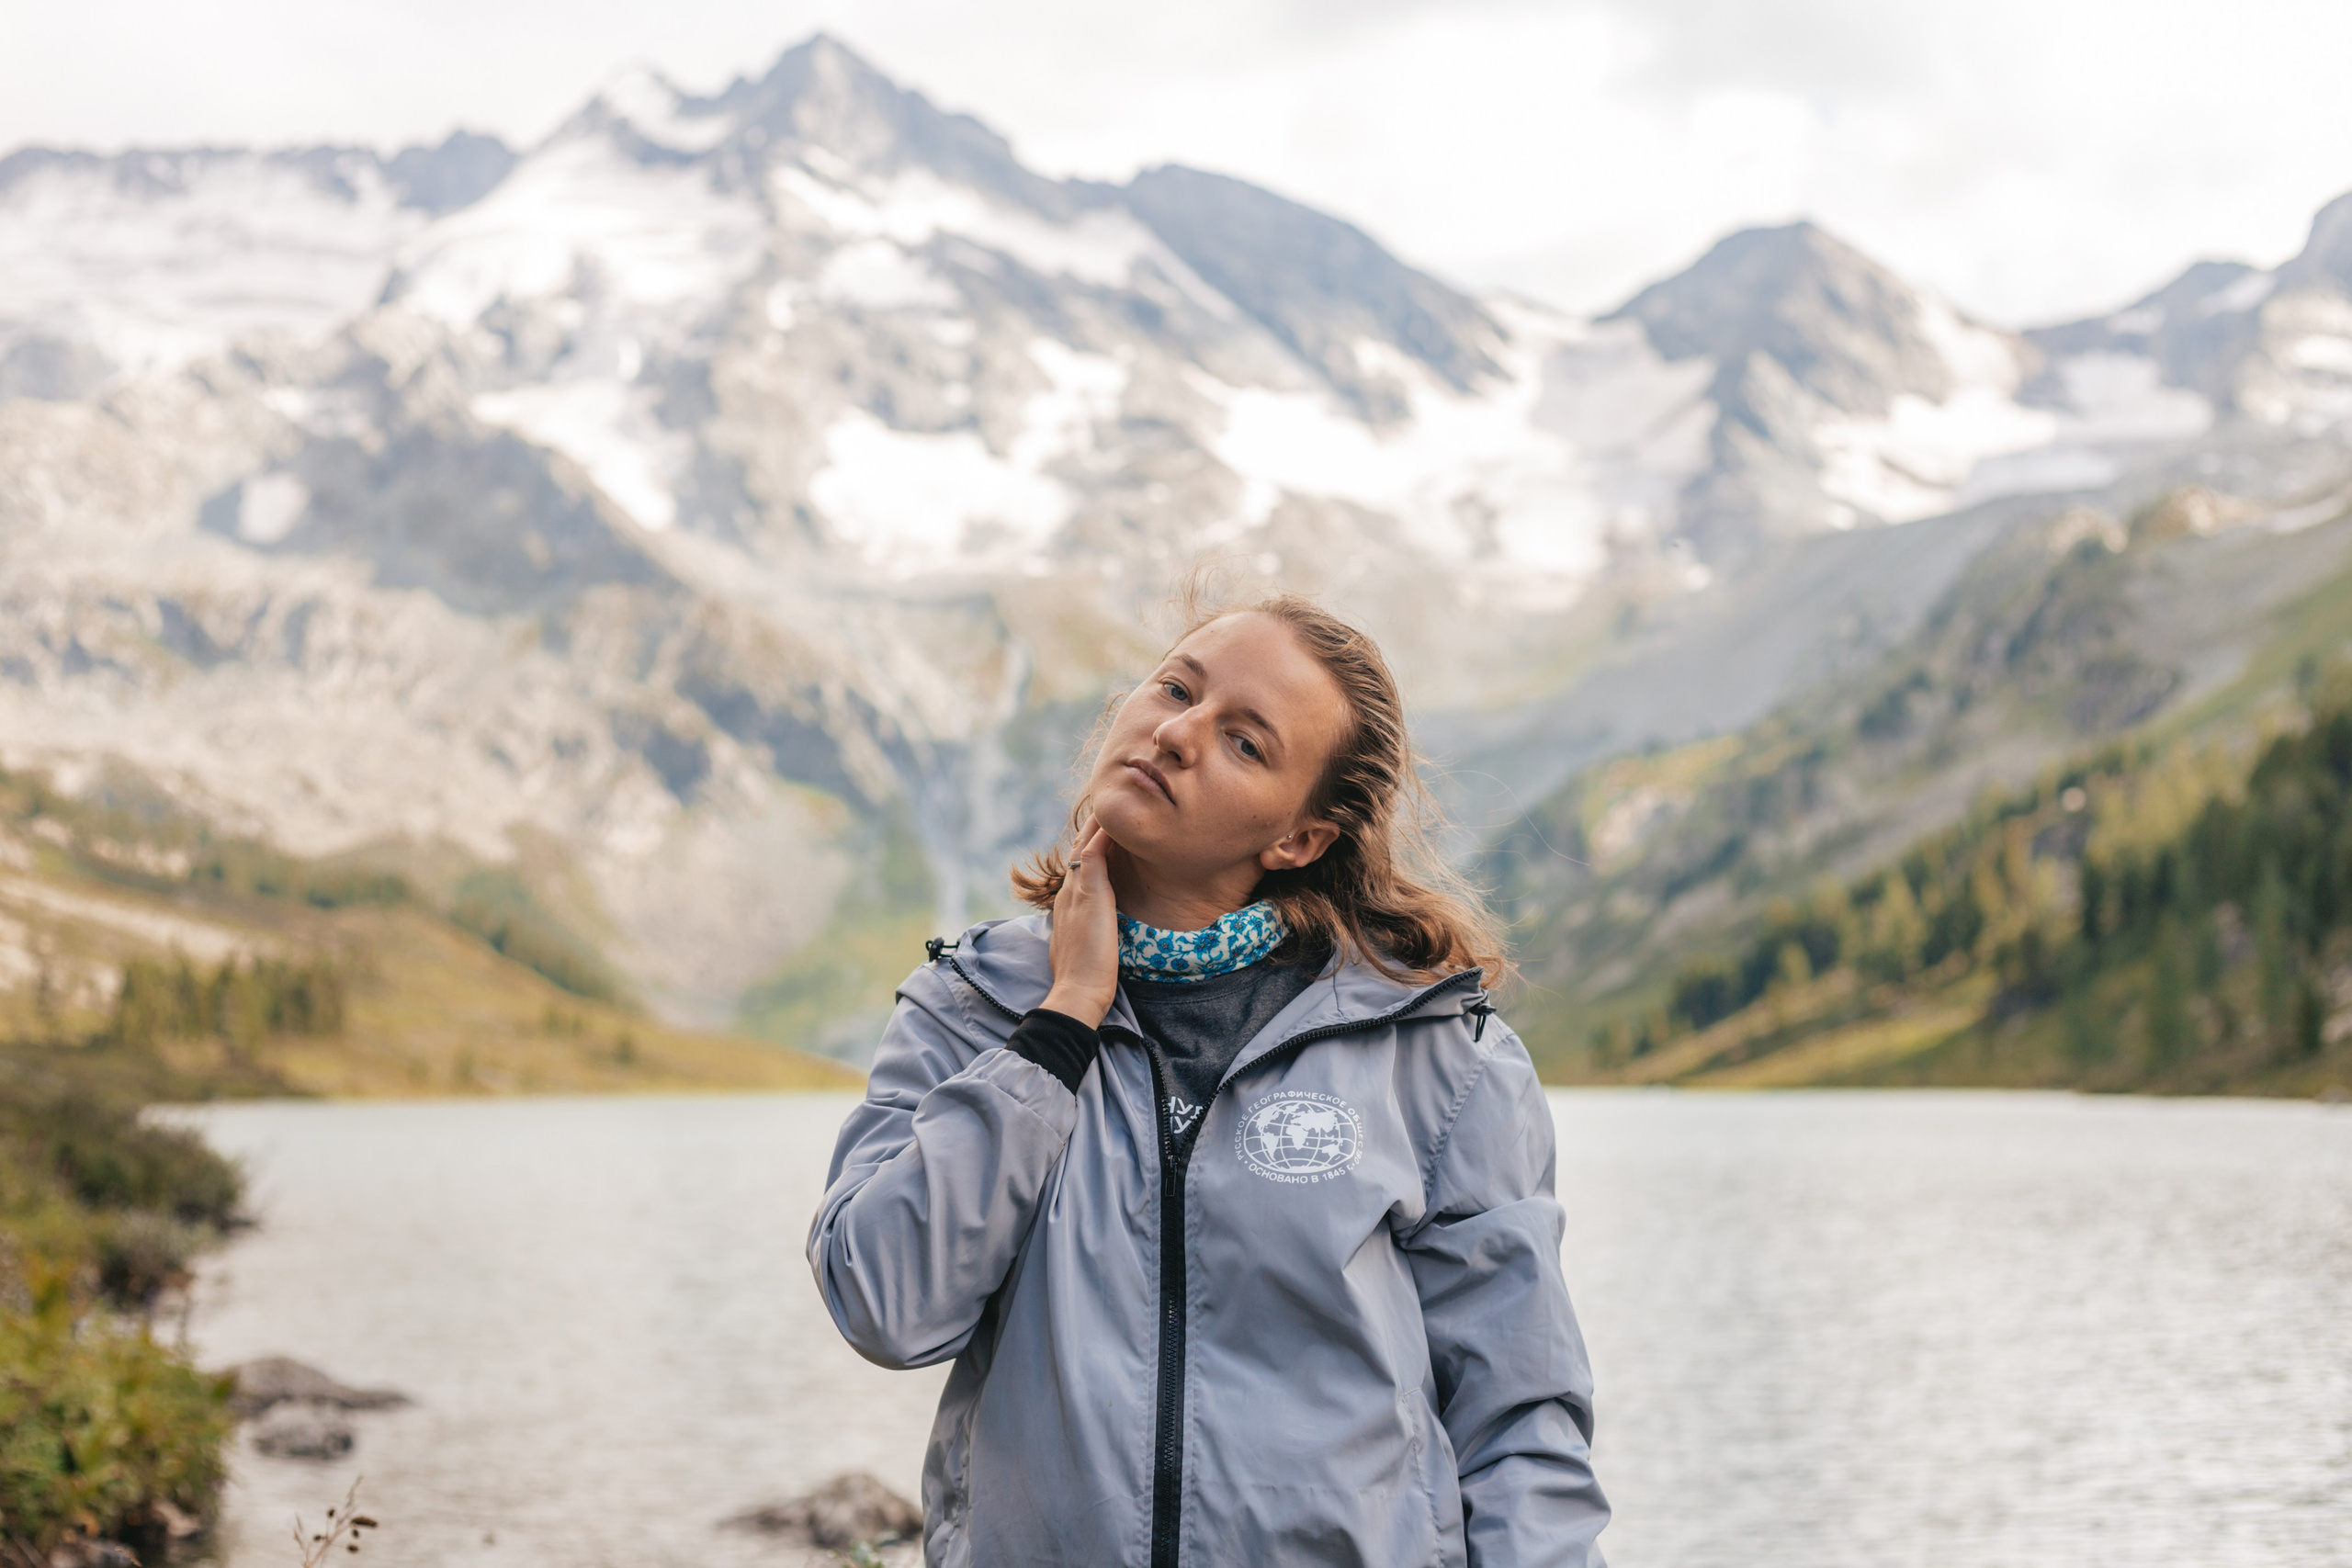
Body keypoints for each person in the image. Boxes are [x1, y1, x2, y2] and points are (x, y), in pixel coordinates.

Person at [808, 593, 1609, 1567]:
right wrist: (1060, 1025)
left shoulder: (1436, 1054)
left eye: (1245, 743)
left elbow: (1520, 1415)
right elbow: (886, 1303)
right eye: (1176, 689)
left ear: (1298, 838)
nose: (1177, 734)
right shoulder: (971, 1003)